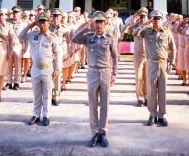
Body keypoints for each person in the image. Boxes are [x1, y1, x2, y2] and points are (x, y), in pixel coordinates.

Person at [72, 11, 119, 148]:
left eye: (101, 22)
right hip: (92, 73)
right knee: (93, 105)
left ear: (105, 24)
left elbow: (115, 57)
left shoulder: (110, 38)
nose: (99, 25)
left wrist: (115, 73)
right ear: (94, 23)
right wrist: (85, 27)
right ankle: (94, 133)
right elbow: (75, 38)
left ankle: (103, 133)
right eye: (96, 22)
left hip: (105, 73)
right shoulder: (88, 37)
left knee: (104, 105)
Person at [19, 12, 61, 127]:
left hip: (48, 69)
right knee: (37, 94)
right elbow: (20, 36)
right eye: (40, 21)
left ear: (48, 23)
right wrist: (30, 26)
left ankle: (46, 115)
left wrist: (58, 68)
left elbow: (57, 53)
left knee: (47, 94)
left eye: (44, 21)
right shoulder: (33, 35)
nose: (42, 24)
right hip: (35, 69)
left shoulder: (52, 37)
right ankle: (36, 115)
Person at [136, 9, 175, 126]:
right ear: (151, 19)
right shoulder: (147, 31)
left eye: (158, 18)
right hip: (151, 64)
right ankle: (152, 114)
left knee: (162, 90)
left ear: (161, 20)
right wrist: (145, 23)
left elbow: (173, 48)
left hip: (163, 64)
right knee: (152, 90)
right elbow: (135, 34)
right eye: (154, 18)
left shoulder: (167, 32)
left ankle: (161, 115)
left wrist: (171, 63)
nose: (156, 21)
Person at [125, 8, 149, 107]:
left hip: (148, 55)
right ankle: (139, 97)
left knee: (147, 77)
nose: (142, 18)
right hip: (138, 56)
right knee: (138, 77)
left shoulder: (151, 26)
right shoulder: (134, 26)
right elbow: (125, 29)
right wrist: (133, 18)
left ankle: (147, 96)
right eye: (141, 16)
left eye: (144, 16)